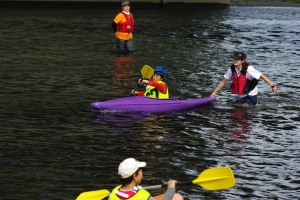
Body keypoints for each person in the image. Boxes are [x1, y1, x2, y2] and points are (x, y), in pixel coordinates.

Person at [210, 51, 277, 106]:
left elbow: (262, 76)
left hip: (250, 95)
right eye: (234, 59)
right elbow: (224, 81)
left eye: (237, 59)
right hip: (239, 95)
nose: (235, 61)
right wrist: (214, 92)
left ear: (242, 61)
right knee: (234, 109)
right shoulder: (232, 68)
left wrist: (272, 86)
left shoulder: (249, 69)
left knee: (243, 108)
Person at [108, 158, 184, 200]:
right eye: (141, 171)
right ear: (135, 176)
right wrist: (171, 187)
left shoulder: (112, 194)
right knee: (178, 198)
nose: (142, 175)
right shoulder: (144, 196)